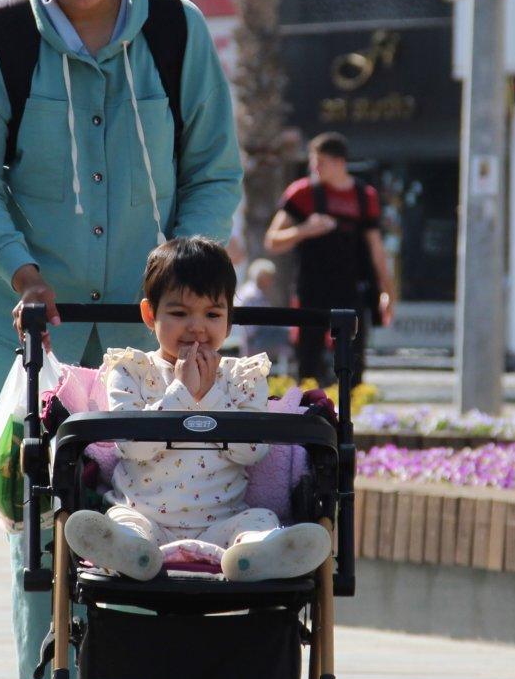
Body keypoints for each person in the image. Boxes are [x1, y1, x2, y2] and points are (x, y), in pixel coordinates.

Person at [0, 0, 242, 679]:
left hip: (158, 328)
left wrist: (179, 282)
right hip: (33, 327)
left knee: (167, 508)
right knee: (47, 526)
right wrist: (21, 271)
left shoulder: (178, 33)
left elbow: (213, 170)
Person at [63, 238, 331, 583]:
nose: (197, 327)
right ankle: (128, 553)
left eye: (213, 314)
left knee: (260, 520)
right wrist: (183, 392)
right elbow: (132, 446)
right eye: (178, 313)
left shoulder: (242, 376)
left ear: (229, 321)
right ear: (150, 314)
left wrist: (212, 393)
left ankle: (256, 555)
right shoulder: (131, 370)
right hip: (144, 516)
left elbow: (253, 451)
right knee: (124, 523)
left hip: (223, 522)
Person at [264, 132, 395, 387]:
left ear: (339, 162)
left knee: (353, 358)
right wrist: (305, 230)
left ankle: (351, 413)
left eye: (320, 162)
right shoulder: (302, 193)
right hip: (311, 287)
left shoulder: (363, 196)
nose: (315, 168)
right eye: (313, 161)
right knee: (308, 359)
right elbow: (272, 240)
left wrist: (387, 292)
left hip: (350, 288)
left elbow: (376, 247)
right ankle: (308, 409)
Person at [234, 257, 289, 365]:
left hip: (257, 336)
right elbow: (253, 327)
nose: (272, 281)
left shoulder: (253, 291)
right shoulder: (252, 295)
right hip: (254, 340)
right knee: (288, 334)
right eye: (270, 277)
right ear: (262, 277)